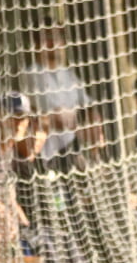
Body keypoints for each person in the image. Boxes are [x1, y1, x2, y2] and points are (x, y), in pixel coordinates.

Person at [21, 22, 91, 160]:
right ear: (37, 43)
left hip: (73, 149)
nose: (53, 42)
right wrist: (76, 117)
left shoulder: (69, 74)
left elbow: (89, 109)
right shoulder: (31, 74)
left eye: (57, 37)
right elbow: (56, 118)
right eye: (48, 37)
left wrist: (77, 117)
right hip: (46, 154)